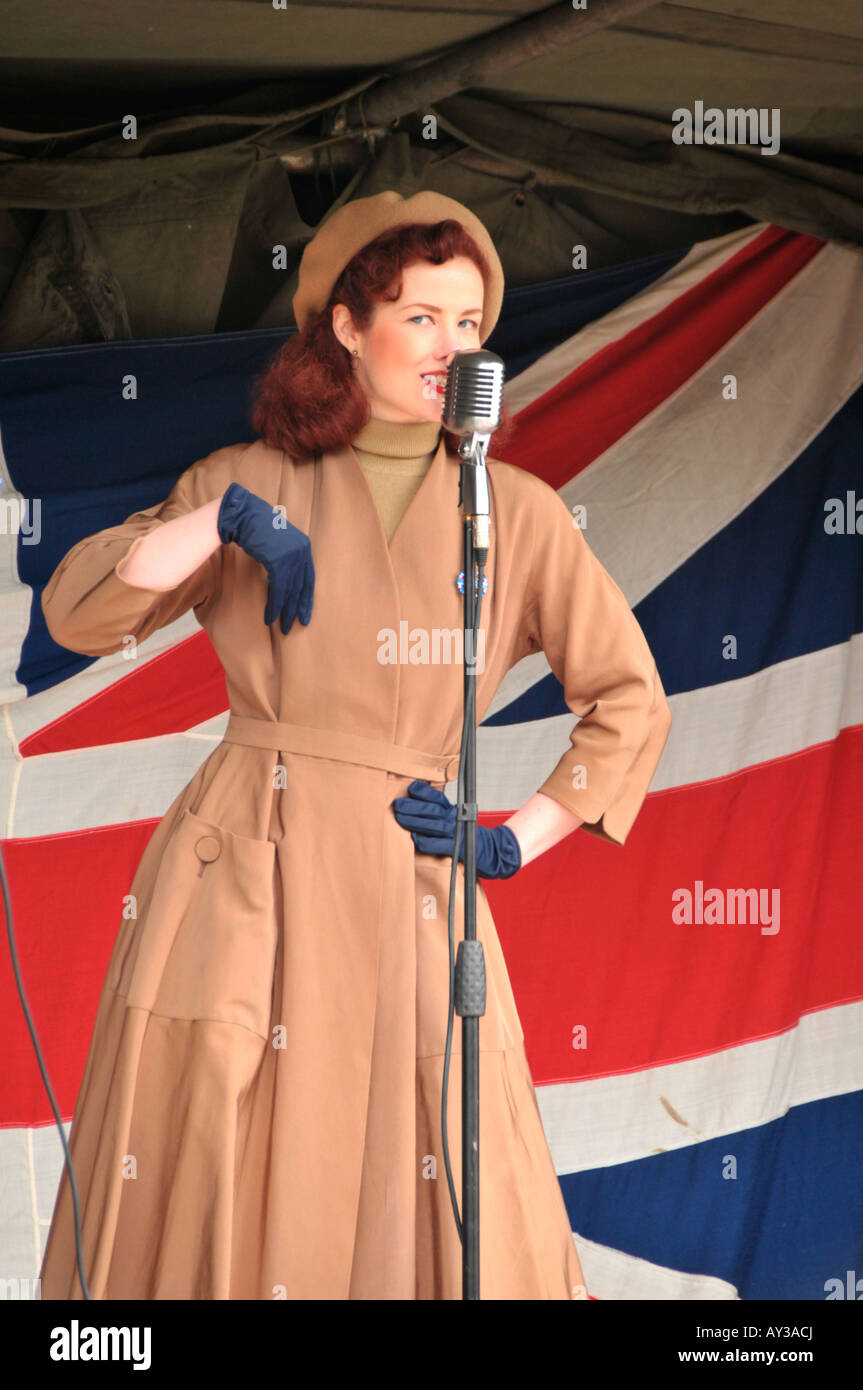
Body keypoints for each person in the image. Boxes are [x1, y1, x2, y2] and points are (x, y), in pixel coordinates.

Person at [38, 189, 672, 1301]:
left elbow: (627, 700)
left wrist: (512, 840)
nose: (450, 347)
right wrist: (224, 518)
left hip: (410, 875)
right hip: (246, 861)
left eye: (469, 324)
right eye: (421, 317)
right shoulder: (250, 479)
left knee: (440, 1169)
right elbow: (81, 610)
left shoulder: (512, 512)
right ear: (344, 325)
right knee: (224, 1156)